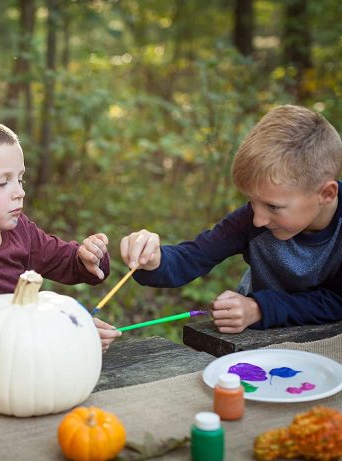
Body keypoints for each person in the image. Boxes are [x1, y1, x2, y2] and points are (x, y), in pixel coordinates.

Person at [120, 105, 342, 333]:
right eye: (252, 201)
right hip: (260, 341)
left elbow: (337, 301)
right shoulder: (249, 220)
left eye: (273, 206)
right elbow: (193, 257)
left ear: (326, 194)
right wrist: (154, 260)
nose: (257, 220)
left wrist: (260, 308)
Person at [0, 119, 121, 360]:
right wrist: (70, 332)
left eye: (20, 179)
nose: (19, 192)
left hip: (41, 363)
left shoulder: (19, 229)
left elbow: (67, 263)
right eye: (3, 182)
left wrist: (88, 257)